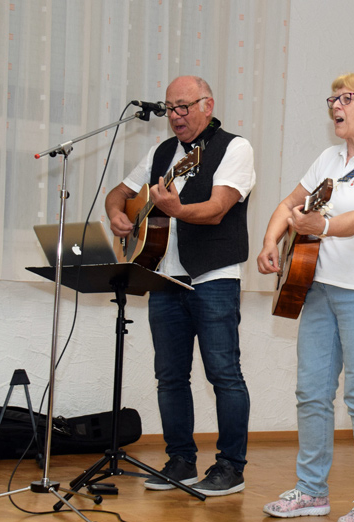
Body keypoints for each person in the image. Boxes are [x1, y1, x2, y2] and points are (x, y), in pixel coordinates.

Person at [257, 73, 354, 522]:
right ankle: (311, 491)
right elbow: (290, 203)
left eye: (347, 98)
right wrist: (271, 240)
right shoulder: (328, 158)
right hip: (320, 287)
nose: (336, 106)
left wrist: (318, 227)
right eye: (333, 99)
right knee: (312, 392)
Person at [105, 76, 255, 496]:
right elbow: (120, 193)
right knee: (169, 376)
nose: (176, 116)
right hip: (164, 276)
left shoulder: (235, 147)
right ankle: (181, 461)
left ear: (207, 105)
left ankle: (230, 467)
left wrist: (177, 208)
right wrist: (118, 214)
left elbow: (216, 209)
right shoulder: (162, 153)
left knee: (224, 374)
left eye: (184, 107)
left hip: (213, 277)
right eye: (170, 108)